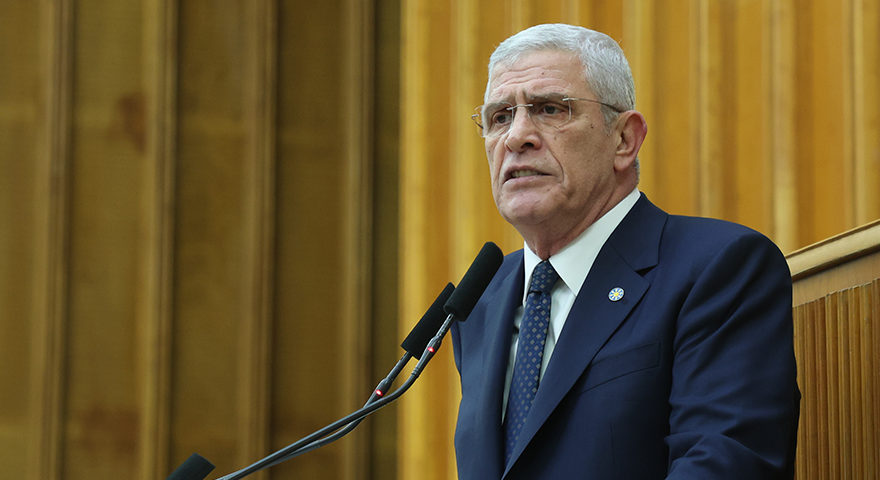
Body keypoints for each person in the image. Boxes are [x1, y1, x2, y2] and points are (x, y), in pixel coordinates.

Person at [449, 24, 799, 479]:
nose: (517, 136)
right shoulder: (480, 303)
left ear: (624, 140)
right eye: (499, 117)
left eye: (550, 109)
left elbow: (724, 462)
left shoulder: (719, 267)